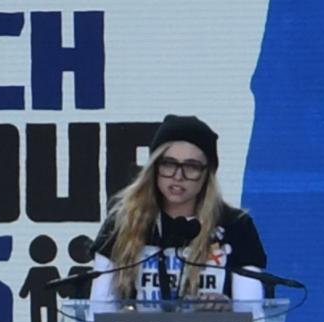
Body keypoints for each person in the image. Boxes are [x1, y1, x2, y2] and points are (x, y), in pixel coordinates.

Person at [89, 116, 269, 304]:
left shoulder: (236, 226)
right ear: (154, 167)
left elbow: (253, 316)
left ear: (207, 173)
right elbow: (98, 313)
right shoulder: (123, 222)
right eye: (169, 163)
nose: (178, 176)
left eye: (191, 166)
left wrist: (227, 310)